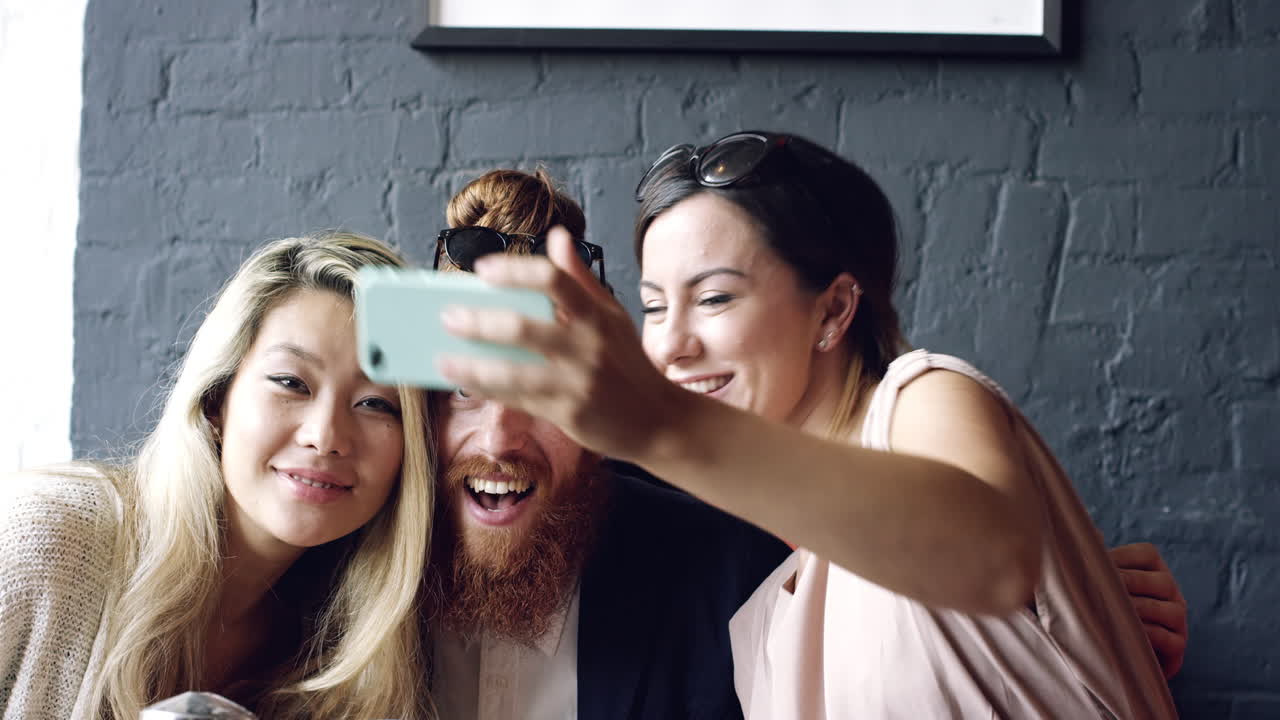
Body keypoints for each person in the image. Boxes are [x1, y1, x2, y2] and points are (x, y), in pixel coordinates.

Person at [435, 139, 1182, 719]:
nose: (671, 346)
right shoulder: (757, 565)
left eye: (715, 298)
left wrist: (660, 425)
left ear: (833, 309)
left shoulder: (924, 396)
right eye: (655, 306)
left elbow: (987, 556)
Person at [0, 233, 436, 719]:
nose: (326, 436)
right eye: (291, 383)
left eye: (376, 403)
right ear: (215, 400)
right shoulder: (40, 540)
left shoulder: (369, 657)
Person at [424, 169, 793, 720]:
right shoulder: (341, 565)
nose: (499, 439)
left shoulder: (732, 582)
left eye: (546, 388)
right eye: (464, 388)